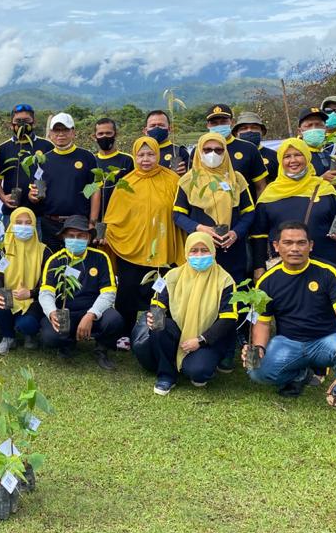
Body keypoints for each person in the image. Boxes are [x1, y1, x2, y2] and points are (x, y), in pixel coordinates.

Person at [245, 221, 336, 426]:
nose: (294, 248)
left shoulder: (329, 272)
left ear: (311, 245)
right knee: (256, 371)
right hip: (289, 342)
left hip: (325, 340)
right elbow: (262, 323)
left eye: (301, 243)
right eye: (288, 242)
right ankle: (300, 374)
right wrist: (259, 348)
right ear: (276, 246)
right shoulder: (266, 281)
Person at [133, 232, 239, 394]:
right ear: (186, 253)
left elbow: (228, 319)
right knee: (159, 324)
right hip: (177, 332)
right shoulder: (173, 275)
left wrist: (201, 340)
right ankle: (166, 375)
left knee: (198, 371)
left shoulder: (225, 280)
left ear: (213, 251)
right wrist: (153, 317)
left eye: (204, 250)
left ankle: (192, 363)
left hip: (206, 337)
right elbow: (158, 302)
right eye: (194, 251)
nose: (199, 255)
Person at [103, 136, 185, 332]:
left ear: (158, 155)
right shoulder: (126, 183)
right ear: (134, 156)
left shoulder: (173, 180)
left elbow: (181, 210)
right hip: (131, 249)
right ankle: (123, 333)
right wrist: (109, 234)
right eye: (141, 155)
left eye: (150, 154)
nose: (145, 159)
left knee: (163, 291)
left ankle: (161, 331)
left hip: (163, 248)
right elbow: (115, 215)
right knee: (127, 291)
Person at [249, 138, 336, 275]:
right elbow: (259, 234)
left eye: (298, 155)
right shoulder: (269, 194)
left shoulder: (324, 188)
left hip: (326, 264)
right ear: (280, 161)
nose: (293, 160)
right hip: (283, 269)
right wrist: (258, 267)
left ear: (307, 157)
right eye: (287, 156)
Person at [38, 216, 124, 369]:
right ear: (64, 237)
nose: (75, 240)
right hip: (65, 312)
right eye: (71, 236)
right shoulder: (55, 260)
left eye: (81, 236)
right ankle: (67, 344)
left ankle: (101, 349)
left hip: (92, 312)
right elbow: (45, 293)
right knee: (50, 336)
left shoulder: (100, 258)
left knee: (114, 320)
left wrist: (91, 315)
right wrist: (52, 312)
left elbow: (109, 292)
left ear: (89, 237)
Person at [173, 133, 255, 282]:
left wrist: (236, 233)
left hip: (233, 249)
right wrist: (200, 228)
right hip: (201, 250)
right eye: (207, 149)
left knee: (234, 294)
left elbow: (249, 212)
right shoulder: (189, 180)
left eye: (218, 150)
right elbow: (178, 215)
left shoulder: (236, 179)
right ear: (199, 151)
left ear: (225, 152)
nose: (213, 154)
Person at [27, 113, 98, 252]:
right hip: (50, 223)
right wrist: (32, 196)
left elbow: (95, 190)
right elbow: (35, 191)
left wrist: (92, 222)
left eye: (65, 130)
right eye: (56, 130)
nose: (61, 134)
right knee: (52, 264)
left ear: (73, 132)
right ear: (50, 134)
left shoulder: (87, 157)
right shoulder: (42, 160)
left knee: (78, 264)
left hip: (78, 225)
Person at [0, 207, 48, 355]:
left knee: (27, 324)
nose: (23, 226)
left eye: (28, 223)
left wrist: (30, 293)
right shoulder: (2, 250)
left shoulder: (44, 251)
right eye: (19, 222)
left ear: (34, 225)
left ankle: (30, 334)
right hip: (10, 296)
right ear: (11, 224)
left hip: (33, 299)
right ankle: (8, 337)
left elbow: (48, 284)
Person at [0, 104, 53, 229]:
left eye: (26, 121)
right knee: (12, 247)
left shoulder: (47, 146)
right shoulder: (3, 149)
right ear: (11, 124)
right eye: (18, 122)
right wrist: (3, 197)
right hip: (12, 213)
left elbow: (53, 177)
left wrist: (41, 191)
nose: (22, 125)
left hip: (41, 213)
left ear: (34, 123)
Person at [203, 105, 267, 194]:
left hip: (246, 206)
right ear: (208, 125)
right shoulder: (199, 150)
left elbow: (261, 186)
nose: (219, 126)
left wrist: (260, 207)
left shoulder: (249, 149)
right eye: (214, 123)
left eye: (223, 122)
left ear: (232, 122)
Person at [232, 112, 278, 182]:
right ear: (236, 133)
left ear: (262, 132)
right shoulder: (230, 155)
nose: (249, 130)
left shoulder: (274, 156)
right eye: (244, 128)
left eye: (254, 127)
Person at [142, 110, 189, 175]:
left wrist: (184, 174)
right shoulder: (140, 153)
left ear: (169, 129)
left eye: (161, 125)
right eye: (152, 126)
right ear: (145, 131)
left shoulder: (179, 152)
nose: (157, 128)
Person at [93, 117, 134, 183]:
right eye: (100, 134)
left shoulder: (128, 160)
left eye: (108, 133)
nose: (104, 136)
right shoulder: (91, 161)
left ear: (116, 135)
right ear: (95, 137)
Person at [297, 107, 335, 177]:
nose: (314, 128)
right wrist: (321, 180)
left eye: (319, 125)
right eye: (309, 125)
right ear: (300, 132)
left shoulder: (328, 155)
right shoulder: (294, 156)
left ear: (325, 129)